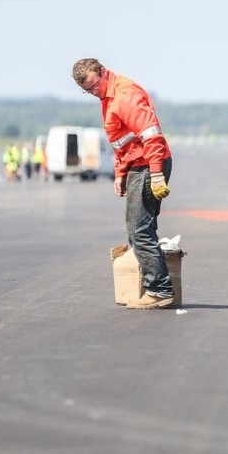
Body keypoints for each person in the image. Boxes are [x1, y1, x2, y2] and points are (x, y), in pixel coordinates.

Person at [72, 58, 175, 309]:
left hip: (148, 165)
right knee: (141, 229)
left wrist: (156, 172)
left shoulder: (124, 94)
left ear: (103, 72)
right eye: (88, 91)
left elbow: (150, 133)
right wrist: (120, 173)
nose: (94, 92)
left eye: (95, 86)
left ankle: (160, 291)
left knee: (139, 230)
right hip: (137, 165)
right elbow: (121, 142)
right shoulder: (107, 98)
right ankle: (154, 286)